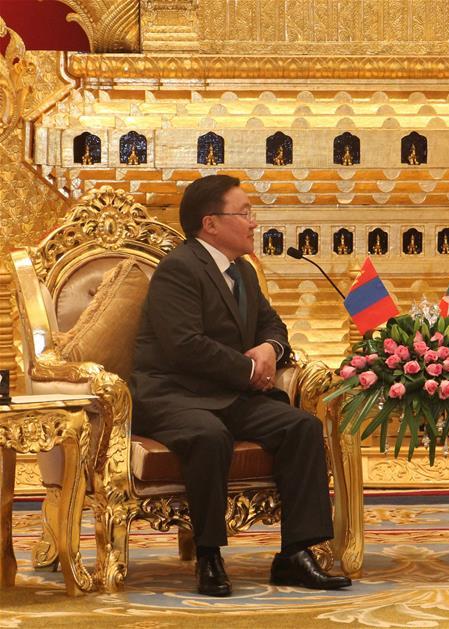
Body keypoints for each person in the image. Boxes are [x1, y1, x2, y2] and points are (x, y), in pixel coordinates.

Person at [130, 174, 351, 596]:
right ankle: (209, 555)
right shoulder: (179, 268)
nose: (253, 223)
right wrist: (250, 372)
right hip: (174, 394)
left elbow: (273, 325)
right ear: (210, 223)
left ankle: (296, 554)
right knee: (209, 435)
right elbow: (184, 347)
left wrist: (269, 349)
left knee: (301, 427)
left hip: (227, 394)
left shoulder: (243, 272)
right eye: (245, 213)